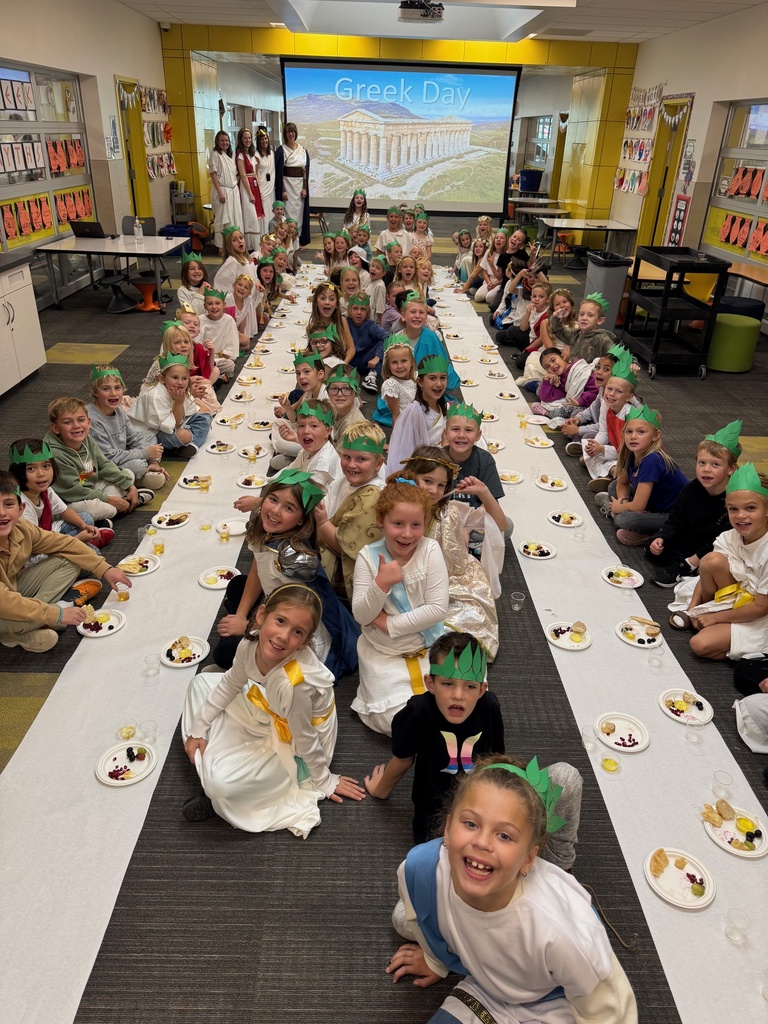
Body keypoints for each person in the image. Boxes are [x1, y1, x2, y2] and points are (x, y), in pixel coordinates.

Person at [387, 754, 637, 1023]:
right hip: (485, 988)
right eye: (471, 824)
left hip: (555, 1001)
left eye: (504, 835)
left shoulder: (563, 932)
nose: (482, 842)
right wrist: (437, 960)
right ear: (447, 828)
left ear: (529, 858)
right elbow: (427, 925)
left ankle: (562, 869)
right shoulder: (419, 870)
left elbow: (610, 1011)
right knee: (403, 920)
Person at [181, 584, 365, 834]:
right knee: (200, 683)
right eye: (280, 621)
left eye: (297, 632)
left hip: (296, 741)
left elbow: (305, 737)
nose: (283, 636)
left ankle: (221, 787)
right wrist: (198, 730)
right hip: (272, 707)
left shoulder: (295, 685)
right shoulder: (250, 644)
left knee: (219, 787)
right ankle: (222, 769)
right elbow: (230, 682)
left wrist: (325, 780)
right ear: (261, 615)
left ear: (305, 641)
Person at [215, 469, 360, 680]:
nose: (275, 511)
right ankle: (244, 624)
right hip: (275, 603)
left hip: (294, 629)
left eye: (289, 507)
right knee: (238, 583)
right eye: (272, 499)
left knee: (223, 653)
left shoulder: (294, 560)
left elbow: (293, 617)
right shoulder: (266, 528)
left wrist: (248, 626)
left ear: (302, 520)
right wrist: (240, 615)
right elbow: (257, 568)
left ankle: (251, 662)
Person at [351, 478, 449, 735]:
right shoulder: (367, 556)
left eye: (416, 525)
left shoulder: (430, 550)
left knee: (462, 695)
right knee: (392, 718)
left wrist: (387, 623)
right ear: (381, 521)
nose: (407, 534)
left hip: (429, 645)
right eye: (398, 524)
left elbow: (437, 609)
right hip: (384, 652)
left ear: (425, 523)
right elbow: (361, 614)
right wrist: (380, 584)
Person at [0, 471, 132, 654]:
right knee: (44, 622)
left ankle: (34, 621)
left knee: (69, 560)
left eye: (8, 504)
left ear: (20, 509)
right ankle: (27, 625)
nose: (1, 513)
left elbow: (64, 543)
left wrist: (104, 568)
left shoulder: (21, 527)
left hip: (12, 588)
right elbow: (4, 601)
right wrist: (57, 614)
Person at [401, 447, 499, 658]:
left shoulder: (450, 510)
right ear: (410, 477)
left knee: (463, 631)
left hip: (454, 584)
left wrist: (483, 492)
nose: (433, 491)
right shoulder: (395, 509)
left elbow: (500, 524)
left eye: (441, 485)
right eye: (427, 481)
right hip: (408, 586)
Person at [668, 463, 768, 662]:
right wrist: (693, 609)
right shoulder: (730, 537)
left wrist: (714, 618)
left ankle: (756, 654)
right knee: (711, 560)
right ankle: (709, 617)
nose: (740, 516)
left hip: (759, 611)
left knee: (700, 644)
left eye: (750, 508)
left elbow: (761, 608)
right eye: (733, 509)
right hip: (736, 594)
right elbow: (706, 570)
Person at [648, 421, 740, 588]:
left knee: (712, 561)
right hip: (691, 538)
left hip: (717, 546)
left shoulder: (734, 500)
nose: (706, 469)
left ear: (731, 469)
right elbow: (675, 520)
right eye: (702, 463)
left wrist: (689, 563)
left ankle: (690, 567)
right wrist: (662, 537)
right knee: (654, 548)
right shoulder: (691, 488)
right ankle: (690, 566)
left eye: (715, 465)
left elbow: (722, 540)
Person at [43, 397, 146, 524]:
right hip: (68, 501)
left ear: (89, 422)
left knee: (127, 474)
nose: (76, 426)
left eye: (81, 420)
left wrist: (130, 486)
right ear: (55, 428)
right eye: (67, 422)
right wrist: (108, 499)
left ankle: (116, 508)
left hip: (90, 489)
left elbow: (104, 465)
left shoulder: (87, 439)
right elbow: (74, 491)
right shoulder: (55, 454)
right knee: (95, 508)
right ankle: (122, 505)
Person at [596, 405, 688, 546]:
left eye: (641, 432)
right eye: (629, 432)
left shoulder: (652, 460)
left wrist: (618, 508)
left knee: (622, 520)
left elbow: (638, 506)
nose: (633, 436)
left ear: (655, 436)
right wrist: (622, 500)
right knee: (613, 486)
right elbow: (622, 483)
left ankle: (648, 535)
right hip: (651, 502)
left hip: (673, 515)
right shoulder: (631, 453)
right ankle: (620, 511)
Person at [316, 421, 386, 600]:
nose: (351, 465)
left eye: (361, 459)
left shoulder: (373, 497)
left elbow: (346, 548)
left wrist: (323, 523)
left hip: (344, 575)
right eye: (346, 457)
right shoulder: (343, 481)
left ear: (378, 464)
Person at [9, 438, 110, 554]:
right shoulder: (21, 507)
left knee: (86, 518)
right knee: (93, 554)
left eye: (46, 466)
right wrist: (77, 539)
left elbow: (65, 510)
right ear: (18, 472)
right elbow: (35, 550)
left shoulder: (45, 489)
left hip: (45, 533)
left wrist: (84, 526)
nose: (41, 474)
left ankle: (82, 542)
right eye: (31, 469)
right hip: (34, 552)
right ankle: (85, 543)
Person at [86, 365, 167, 492]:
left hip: (122, 453)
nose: (113, 393)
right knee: (137, 465)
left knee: (149, 435)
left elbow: (133, 437)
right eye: (106, 389)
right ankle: (140, 474)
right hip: (104, 463)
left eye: (117, 388)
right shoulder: (92, 420)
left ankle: (149, 467)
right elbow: (107, 457)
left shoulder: (118, 409)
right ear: (95, 392)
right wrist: (145, 453)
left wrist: (153, 458)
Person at [128, 354, 212, 459]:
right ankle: (183, 445)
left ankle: (185, 445)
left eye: (184, 378)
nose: (180, 383)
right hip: (152, 433)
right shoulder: (155, 396)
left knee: (205, 416)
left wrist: (184, 406)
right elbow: (172, 426)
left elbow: (190, 412)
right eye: (175, 378)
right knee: (184, 435)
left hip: (173, 425)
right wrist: (179, 403)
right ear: (162, 379)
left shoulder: (180, 390)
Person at [441, 403, 507, 538]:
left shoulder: (485, 460)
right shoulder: (437, 459)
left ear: (478, 435)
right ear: (445, 434)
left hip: (473, 520)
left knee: (507, 527)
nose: (461, 435)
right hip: (442, 519)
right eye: (455, 429)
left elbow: (490, 502)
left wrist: (467, 529)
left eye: (469, 430)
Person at [577, 348, 638, 490]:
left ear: (628, 397)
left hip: (631, 456)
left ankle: (616, 478)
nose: (611, 394)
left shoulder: (630, 414)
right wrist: (596, 444)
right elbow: (604, 432)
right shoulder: (606, 403)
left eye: (618, 391)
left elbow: (628, 451)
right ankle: (610, 474)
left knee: (598, 458)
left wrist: (602, 449)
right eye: (609, 389)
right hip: (616, 449)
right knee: (591, 452)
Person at [386, 355, 449, 477]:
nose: (439, 384)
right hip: (424, 469)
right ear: (420, 382)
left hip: (439, 460)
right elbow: (417, 452)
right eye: (432, 378)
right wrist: (444, 449)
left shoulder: (440, 406)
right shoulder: (416, 411)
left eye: (443, 378)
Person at [142, 318, 220, 416]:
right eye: (177, 343)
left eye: (186, 342)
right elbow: (163, 388)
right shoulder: (163, 363)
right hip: (163, 397)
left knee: (206, 387)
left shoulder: (186, 358)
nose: (183, 345)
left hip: (180, 390)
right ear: (168, 345)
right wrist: (189, 389)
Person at [529, 347, 599, 419]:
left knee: (573, 412)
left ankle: (547, 413)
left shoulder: (579, 369)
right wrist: (546, 379)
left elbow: (595, 390)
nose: (552, 366)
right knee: (545, 403)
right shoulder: (560, 379)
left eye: (553, 360)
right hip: (576, 404)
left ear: (563, 357)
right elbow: (545, 397)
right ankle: (549, 413)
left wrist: (580, 402)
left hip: (590, 404)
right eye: (547, 366)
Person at [550, 292, 616, 364]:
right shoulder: (575, 334)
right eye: (581, 314)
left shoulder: (602, 339)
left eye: (590, 315)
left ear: (600, 320)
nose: (584, 318)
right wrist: (556, 318)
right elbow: (557, 330)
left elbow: (615, 355)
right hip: (574, 371)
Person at [275, 122, 310, 245]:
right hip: (287, 185)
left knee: (299, 213)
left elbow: (304, 170)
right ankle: (288, 239)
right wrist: (283, 189)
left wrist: (305, 188)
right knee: (288, 212)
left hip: (299, 186)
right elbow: (280, 172)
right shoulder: (281, 150)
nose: (291, 134)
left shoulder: (302, 150)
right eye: (288, 132)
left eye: (293, 132)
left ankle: (298, 239)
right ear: (285, 134)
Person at [208, 130, 243, 254]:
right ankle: (221, 247)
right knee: (222, 220)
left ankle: (232, 245)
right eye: (222, 140)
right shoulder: (215, 155)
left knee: (234, 218)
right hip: (222, 190)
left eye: (227, 140)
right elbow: (213, 174)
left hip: (233, 191)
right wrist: (220, 192)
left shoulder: (230, 155)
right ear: (217, 141)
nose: (225, 143)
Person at [346, 292, 388, 390]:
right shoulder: (346, 323)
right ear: (350, 310)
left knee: (382, 343)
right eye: (355, 308)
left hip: (368, 363)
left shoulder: (370, 325)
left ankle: (371, 377)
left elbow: (387, 337)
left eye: (363, 309)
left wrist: (377, 357)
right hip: (349, 361)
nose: (359, 312)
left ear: (367, 312)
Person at [373, 336, 418, 429]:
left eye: (404, 361)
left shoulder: (416, 377)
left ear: (412, 362)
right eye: (394, 362)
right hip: (406, 425)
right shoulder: (391, 385)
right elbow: (395, 415)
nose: (399, 366)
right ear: (388, 365)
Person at [199, 286, 239, 380]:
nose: (214, 307)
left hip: (220, 359)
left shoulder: (228, 319)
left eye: (217, 303)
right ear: (205, 306)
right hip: (205, 359)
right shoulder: (200, 320)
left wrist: (226, 354)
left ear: (224, 304)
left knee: (230, 364)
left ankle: (212, 375)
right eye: (210, 304)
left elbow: (232, 342)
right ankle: (217, 376)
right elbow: (197, 342)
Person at [234, 127, 264, 250]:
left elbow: (255, 172)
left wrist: (258, 189)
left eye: (249, 137)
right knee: (250, 213)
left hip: (254, 184)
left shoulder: (251, 153)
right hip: (246, 186)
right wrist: (250, 193)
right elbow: (243, 175)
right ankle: (250, 244)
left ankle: (257, 243)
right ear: (241, 139)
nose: (248, 140)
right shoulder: (240, 155)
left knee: (256, 212)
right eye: (245, 138)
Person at [325, 364, 366, 446]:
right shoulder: (332, 411)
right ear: (327, 391)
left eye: (346, 389)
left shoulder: (353, 427)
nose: (339, 394)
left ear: (356, 392)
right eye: (334, 388)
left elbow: (338, 458)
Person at [213, 226, 256, 297]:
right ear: (229, 245)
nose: (239, 241)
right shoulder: (233, 262)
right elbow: (220, 284)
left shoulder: (246, 259)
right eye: (234, 240)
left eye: (241, 238)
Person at [225, 273, 259, 349]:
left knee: (246, 343)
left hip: (234, 331)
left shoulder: (248, 300)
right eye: (240, 284)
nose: (242, 288)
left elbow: (243, 319)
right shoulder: (227, 299)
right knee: (245, 341)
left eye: (246, 287)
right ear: (234, 286)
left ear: (249, 293)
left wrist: (241, 334)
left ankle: (232, 348)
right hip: (224, 331)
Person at [254, 127, 275, 233]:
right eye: (262, 139)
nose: (264, 141)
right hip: (262, 188)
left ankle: (272, 235)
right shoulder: (256, 155)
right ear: (258, 141)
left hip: (271, 188)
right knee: (265, 213)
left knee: (272, 211)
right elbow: (255, 174)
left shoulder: (271, 153)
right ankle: (264, 235)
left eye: (266, 138)